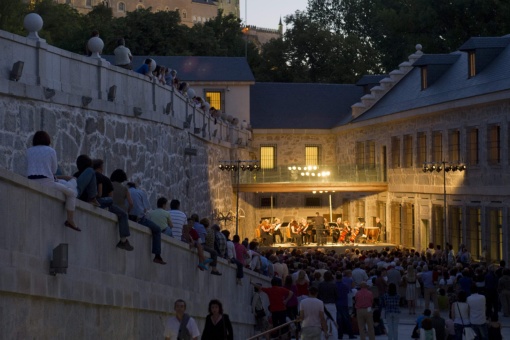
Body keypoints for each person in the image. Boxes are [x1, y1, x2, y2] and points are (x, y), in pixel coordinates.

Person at [26, 131, 79, 231]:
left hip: (31, 180)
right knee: (72, 193)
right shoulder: (51, 151)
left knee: (64, 184)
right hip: (47, 182)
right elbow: (54, 170)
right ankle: (70, 220)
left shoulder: (29, 150)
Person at [92, 159, 133, 251]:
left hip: (104, 207)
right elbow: (130, 203)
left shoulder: (107, 181)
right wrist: (129, 212)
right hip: (117, 210)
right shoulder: (124, 188)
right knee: (124, 215)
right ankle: (124, 240)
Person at [127, 182, 166, 264]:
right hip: (139, 219)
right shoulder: (140, 192)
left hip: (127, 217)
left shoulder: (125, 191)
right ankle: (157, 255)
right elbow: (146, 208)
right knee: (157, 229)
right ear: (135, 187)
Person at [317, 271, 338, 339]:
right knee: (333, 321)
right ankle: (334, 337)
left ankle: (323, 337)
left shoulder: (320, 285)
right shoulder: (333, 285)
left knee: (323, 322)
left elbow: (318, 295)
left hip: (322, 305)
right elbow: (337, 295)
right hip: (331, 304)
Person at [335, 272, 355, 339]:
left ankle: (340, 335)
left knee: (339, 320)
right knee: (347, 320)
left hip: (337, 303)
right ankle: (350, 334)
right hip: (344, 303)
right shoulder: (345, 285)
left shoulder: (334, 285)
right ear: (341, 278)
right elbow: (347, 292)